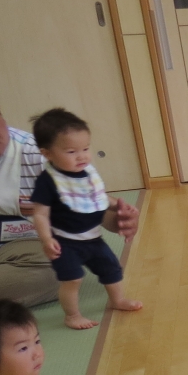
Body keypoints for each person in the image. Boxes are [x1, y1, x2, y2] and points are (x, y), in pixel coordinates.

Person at [0, 82, 137, 308]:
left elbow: (89, 206)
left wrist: (119, 219)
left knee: (56, 266)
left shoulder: (43, 155)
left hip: (21, 251)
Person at [29, 109, 142, 330]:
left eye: (86, 149)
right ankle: (72, 315)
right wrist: (46, 239)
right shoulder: (48, 181)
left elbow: (98, 196)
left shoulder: (86, 173)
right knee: (72, 279)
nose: (81, 156)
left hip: (93, 238)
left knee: (112, 269)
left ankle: (117, 300)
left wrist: (117, 205)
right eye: (71, 151)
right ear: (47, 153)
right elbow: (40, 213)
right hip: (65, 241)